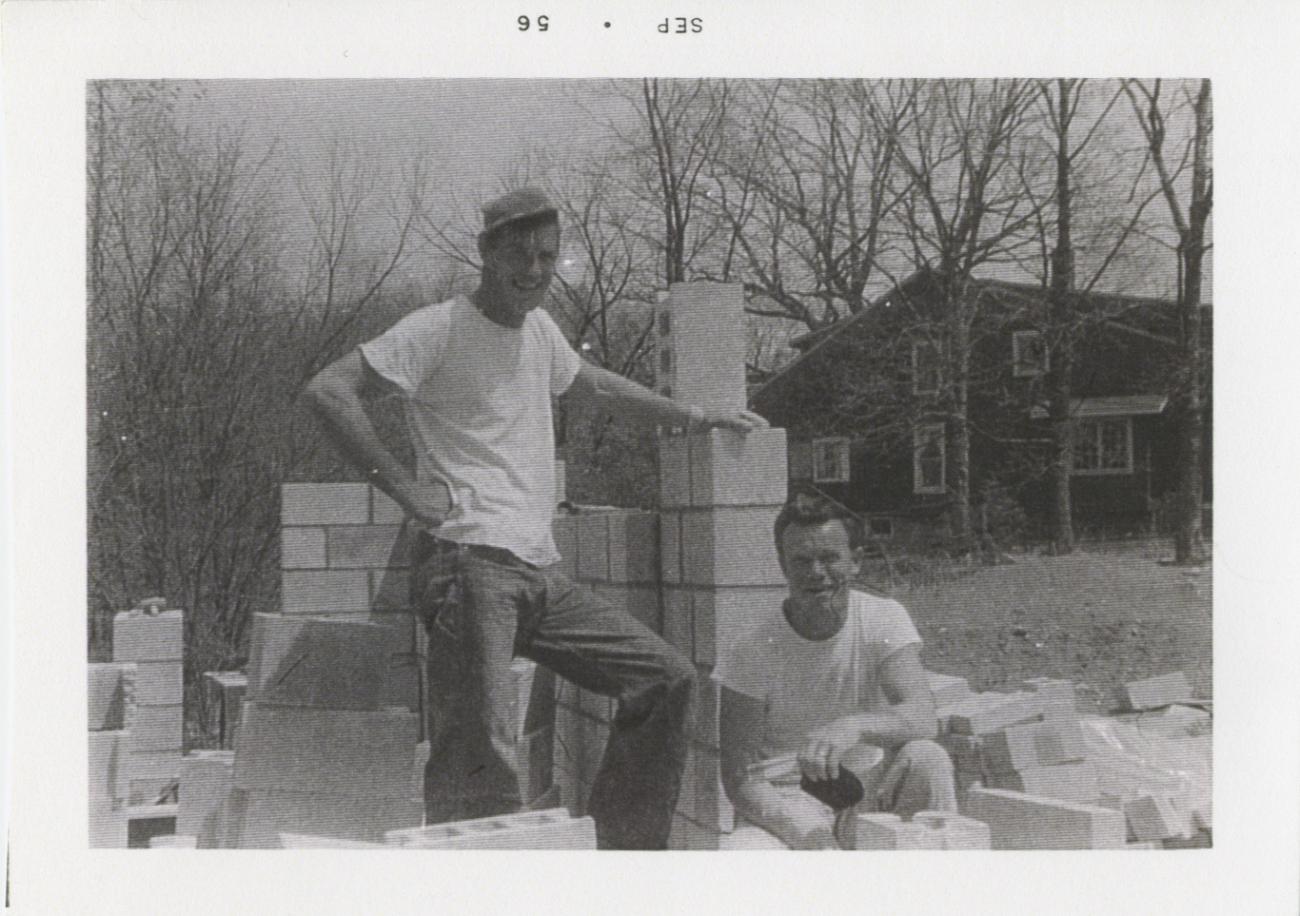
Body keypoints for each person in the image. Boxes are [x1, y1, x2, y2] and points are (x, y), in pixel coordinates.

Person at [303, 187, 767, 850]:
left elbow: (596, 384)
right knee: (483, 760)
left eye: (547, 257)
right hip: (469, 565)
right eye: (519, 255)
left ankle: (621, 862)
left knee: (665, 680)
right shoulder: (439, 327)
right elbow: (329, 390)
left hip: (540, 574)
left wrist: (694, 416)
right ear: (485, 253)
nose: (534, 270)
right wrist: (404, 490)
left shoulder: (540, 331)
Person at [716, 490, 957, 849]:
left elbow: (922, 717)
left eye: (829, 558)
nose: (816, 573)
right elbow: (740, 778)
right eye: (801, 561)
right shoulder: (751, 646)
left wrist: (853, 726)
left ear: (855, 561)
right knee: (743, 854)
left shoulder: (881, 619)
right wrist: (807, 835)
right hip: (787, 799)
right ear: (783, 566)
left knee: (927, 757)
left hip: (870, 788)